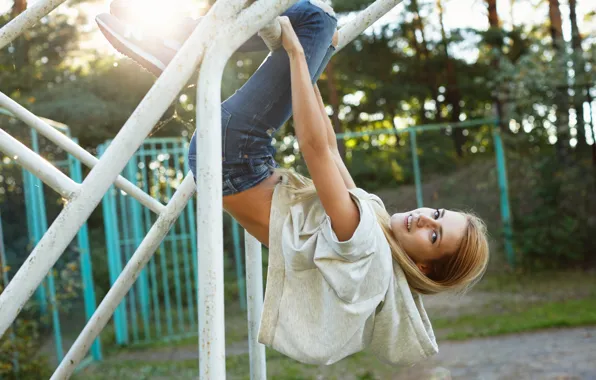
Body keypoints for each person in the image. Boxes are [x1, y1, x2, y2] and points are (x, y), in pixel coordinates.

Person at [97, 0, 490, 366]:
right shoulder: (377, 230)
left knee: (316, 20)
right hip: (233, 162)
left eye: (434, 235)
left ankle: (178, 44)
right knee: (317, 25)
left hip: (236, 155)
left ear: (423, 265)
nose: (424, 219)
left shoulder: (367, 248)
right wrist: (315, 61)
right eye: (437, 214)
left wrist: (300, 53)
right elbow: (333, 150)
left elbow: (315, 150)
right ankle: (177, 46)